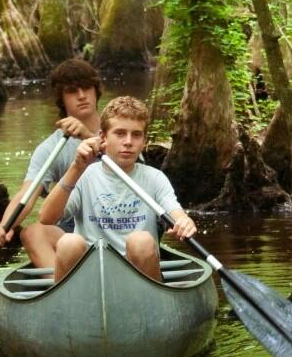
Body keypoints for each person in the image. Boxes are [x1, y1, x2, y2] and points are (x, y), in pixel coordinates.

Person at [30, 95, 197, 281]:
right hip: (89, 274)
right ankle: (66, 302)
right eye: (119, 133)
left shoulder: (154, 178)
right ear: (103, 137)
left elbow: (175, 211)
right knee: (69, 242)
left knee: (140, 240)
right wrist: (76, 167)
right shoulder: (83, 174)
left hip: (137, 273)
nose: (128, 142)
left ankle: (147, 301)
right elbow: (46, 218)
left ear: (144, 141)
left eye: (136, 134)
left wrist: (183, 221)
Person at [0, 58, 103, 257]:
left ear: (96, 90)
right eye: (72, 91)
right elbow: (27, 195)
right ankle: (63, 284)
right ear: (62, 98)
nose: (82, 95)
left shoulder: (119, 130)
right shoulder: (50, 148)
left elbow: (131, 166)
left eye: (86, 88)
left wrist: (87, 136)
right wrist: (4, 226)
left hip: (122, 220)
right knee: (32, 233)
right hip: (72, 231)